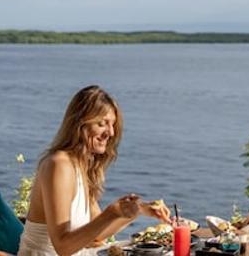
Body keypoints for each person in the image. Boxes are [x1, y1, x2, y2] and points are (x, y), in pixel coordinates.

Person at [18, 85, 171, 256]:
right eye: (102, 124)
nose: (111, 132)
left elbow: (96, 236)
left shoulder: (80, 165)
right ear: (80, 124)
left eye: (112, 125)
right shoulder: (59, 165)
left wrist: (138, 210)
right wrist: (111, 213)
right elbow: (62, 247)